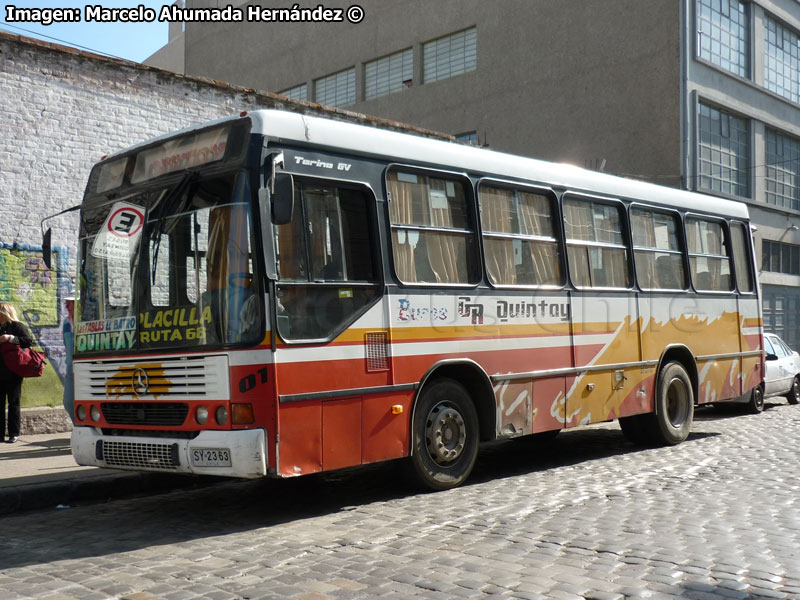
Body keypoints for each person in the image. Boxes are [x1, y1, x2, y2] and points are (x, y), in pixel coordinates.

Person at [0, 302, 35, 443]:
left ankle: (14, 433)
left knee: (14, 402)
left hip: (14, 371)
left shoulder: (17, 326)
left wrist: (10, 338)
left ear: (5, 312)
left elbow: (28, 341)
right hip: (0, 370)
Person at [62, 296, 75, 423]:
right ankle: (78, 426)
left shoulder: (88, 321)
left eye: (69, 304)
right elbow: (65, 344)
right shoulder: (66, 323)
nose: (66, 307)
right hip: (70, 367)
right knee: (68, 401)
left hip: (85, 366)